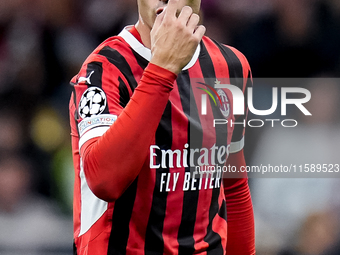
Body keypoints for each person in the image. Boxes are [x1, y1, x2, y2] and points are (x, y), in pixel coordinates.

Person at [69, 0, 255, 254]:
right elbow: (105, 181)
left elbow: (232, 187)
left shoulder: (230, 66)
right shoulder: (104, 69)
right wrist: (163, 68)